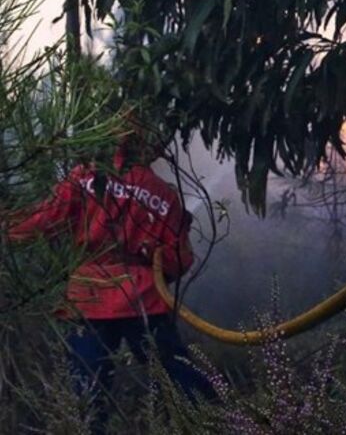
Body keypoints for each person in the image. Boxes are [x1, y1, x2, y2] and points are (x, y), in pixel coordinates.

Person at [8, 126, 214, 431]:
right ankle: (216, 420)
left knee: (86, 389)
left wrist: (8, 226)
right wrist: (153, 256)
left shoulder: (82, 178)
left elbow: (45, 220)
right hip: (144, 296)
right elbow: (180, 258)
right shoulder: (162, 192)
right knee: (176, 371)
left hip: (89, 298)